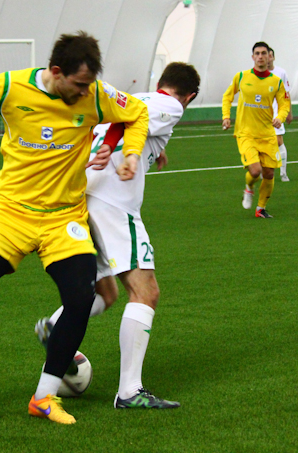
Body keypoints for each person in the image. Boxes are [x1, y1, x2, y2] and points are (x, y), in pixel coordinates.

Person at [0, 31, 149, 425]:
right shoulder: (11, 86)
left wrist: (130, 153)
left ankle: (44, 398)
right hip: (11, 213)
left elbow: (137, 113)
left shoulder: (96, 95)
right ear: (56, 71)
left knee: (80, 299)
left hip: (64, 218)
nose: (86, 92)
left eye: (90, 84)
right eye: (79, 84)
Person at [34, 62, 200, 409]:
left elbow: (114, 122)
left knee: (104, 292)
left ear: (159, 81)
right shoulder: (169, 105)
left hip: (81, 196)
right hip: (113, 204)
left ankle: (55, 325)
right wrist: (116, 146)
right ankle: (129, 392)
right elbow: (128, 122)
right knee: (145, 291)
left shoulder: (132, 98)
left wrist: (152, 148)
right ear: (190, 96)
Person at [222, 41, 289, 218]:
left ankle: (260, 209)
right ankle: (249, 187)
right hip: (246, 133)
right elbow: (227, 97)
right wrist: (226, 116)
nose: (260, 56)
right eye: (257, 53)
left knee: (269, 173)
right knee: (255, 171)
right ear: (253, 57)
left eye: (264, 53)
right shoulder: (241, 77)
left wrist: (280, 118)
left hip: (267, 134)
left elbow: (284, 104)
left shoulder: (276, 82)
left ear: (269, 57)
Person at [268, 48, 292, 182]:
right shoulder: (257, 74)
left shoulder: (281, 73)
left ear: (273, 57)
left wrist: (289, 112)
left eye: (270, 55)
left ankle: (283, 173)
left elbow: (286, 94)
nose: (267, 58)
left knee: (278, 141)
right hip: (262, 113)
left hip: (277, 112)